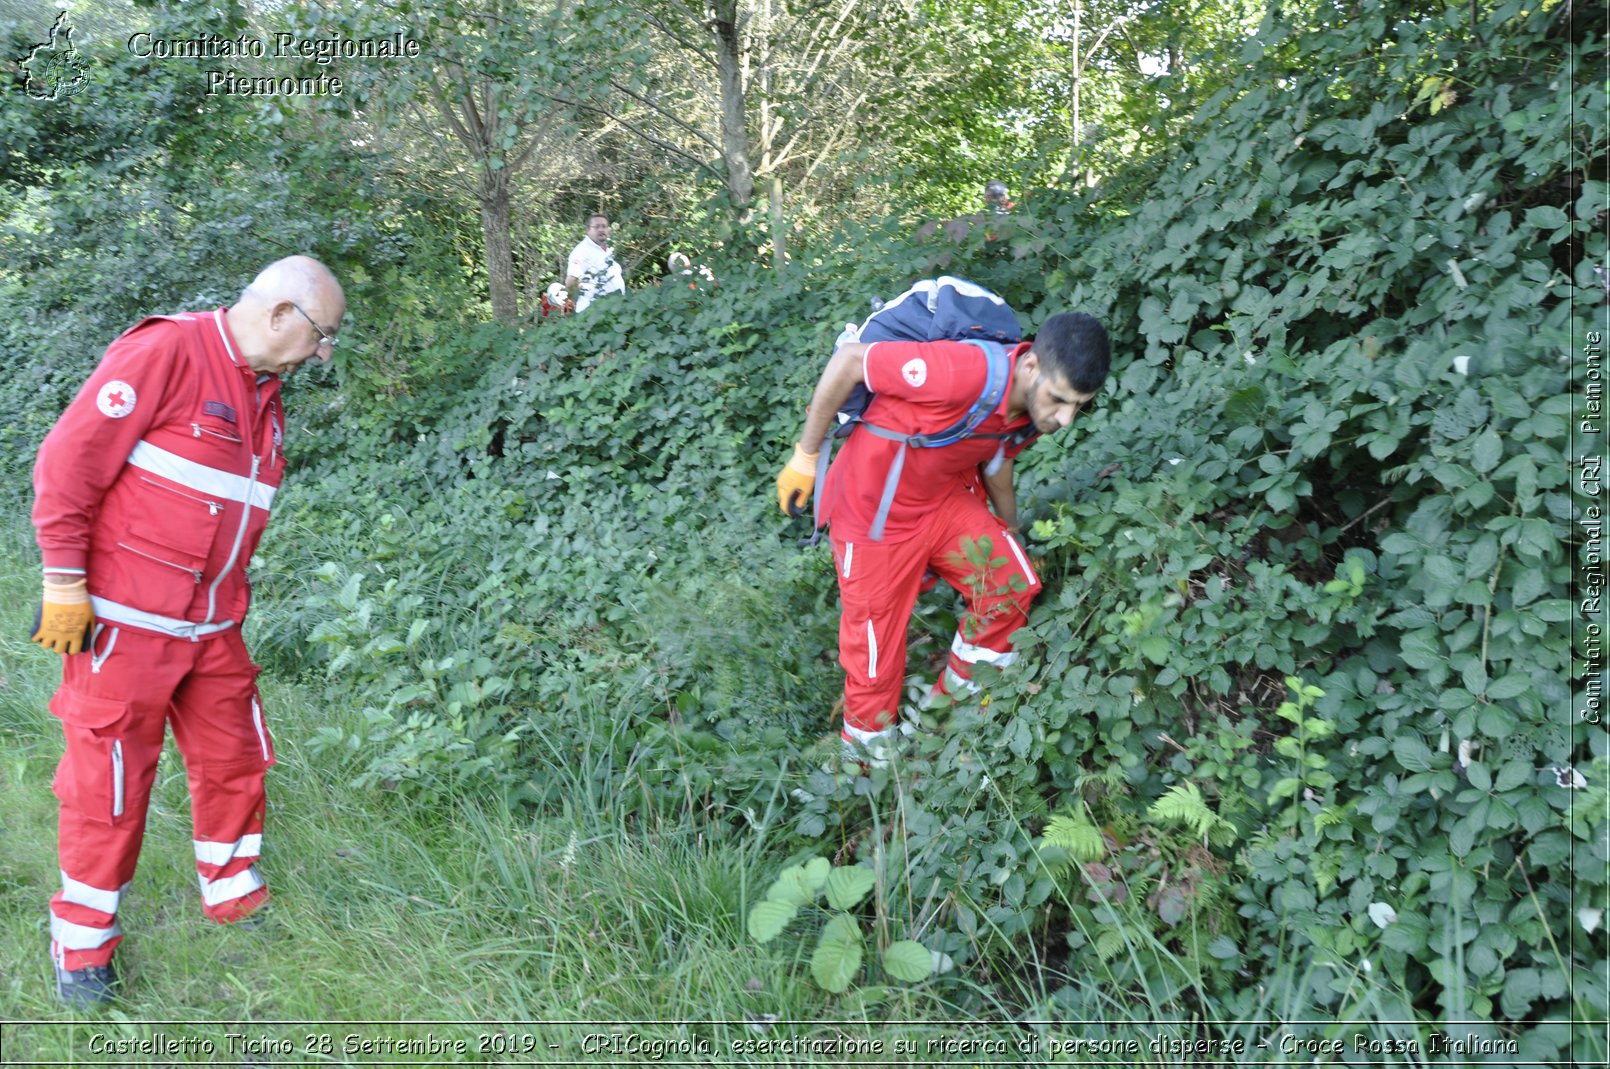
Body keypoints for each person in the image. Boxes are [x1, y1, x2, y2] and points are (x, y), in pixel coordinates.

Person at [29, 255, 346, 1007]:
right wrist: (65, 583)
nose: (323, 351)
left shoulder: (265, 393)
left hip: (211, 628)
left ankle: (232, 891)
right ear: (280, 315)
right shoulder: (166, 350)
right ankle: (83, 944)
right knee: (107, 785)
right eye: (322, 333)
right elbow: (67, 465)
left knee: (236, 755)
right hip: (125, 627)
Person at [775, 312, 1110, 763]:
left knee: (1010, 583)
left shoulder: (1031, 407)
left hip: (939, 501)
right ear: (1030, 366)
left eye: (1079, 405)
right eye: (1060, 399)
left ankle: (945, 715)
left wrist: (1007, 530)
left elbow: (998, 458)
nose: (1067, 418)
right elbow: (851, 362)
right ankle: (864, 768)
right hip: (873, 511)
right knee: (875, 659)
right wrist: (806, 457)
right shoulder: (960, 371)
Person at [564, 213, 625, 312]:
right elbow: (571, 281)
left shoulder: (606, 250)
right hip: (593, 312)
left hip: (612, 310)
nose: (601, 229)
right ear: (588, 230)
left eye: (604, 226)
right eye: (597, 227)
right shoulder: (581, 251)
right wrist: (570, 306)